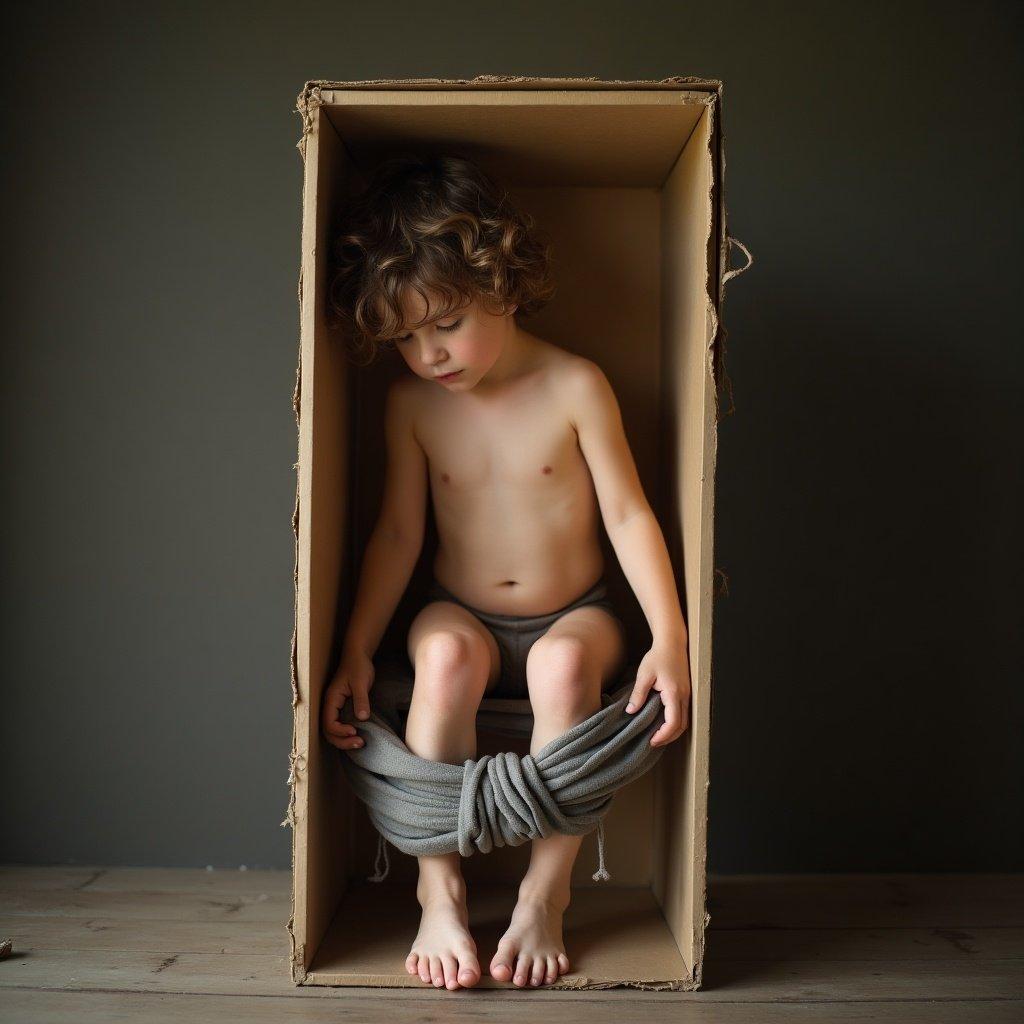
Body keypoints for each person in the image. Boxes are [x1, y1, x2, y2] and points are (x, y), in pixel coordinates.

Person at [320, 154, 691, 991]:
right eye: (406, 337)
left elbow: (631, 516)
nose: (428, 354)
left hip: (576, 611)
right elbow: (395, 535)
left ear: (505, 283)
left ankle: (544, 893)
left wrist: (669, 638)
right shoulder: (412, 405)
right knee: (444, 656)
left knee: (564, 663)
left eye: (444, 323)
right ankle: (438, 890)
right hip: (460, 610)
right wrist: (354, 646)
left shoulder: (575, 386)